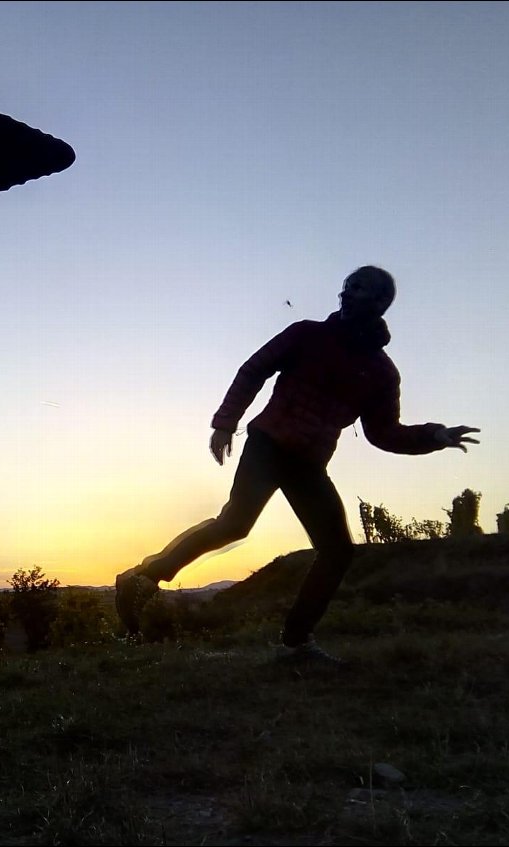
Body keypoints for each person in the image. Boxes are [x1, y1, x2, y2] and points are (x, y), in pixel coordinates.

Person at [115, 266, 479, 663]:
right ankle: (143, 579)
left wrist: (433, 436)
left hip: (308, 464)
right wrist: (224, 423)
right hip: (268, 445)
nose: (347, 293)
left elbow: (384, 433)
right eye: (347, 285)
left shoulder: (381, 372)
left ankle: (296, 643)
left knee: (337, 551)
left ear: (379, 303)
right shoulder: (306, 334)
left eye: (359, 289)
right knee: (235, 525)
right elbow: (254, 369)